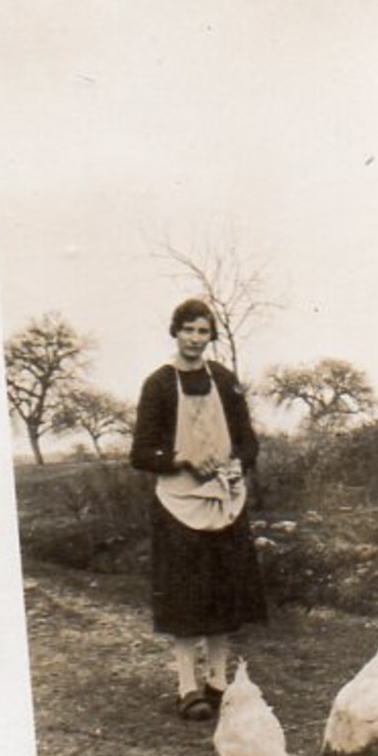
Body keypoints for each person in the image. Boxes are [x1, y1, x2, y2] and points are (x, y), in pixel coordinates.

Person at [131, 298, 267, 720]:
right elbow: (140, 453)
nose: (194, 339)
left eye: (202, 331)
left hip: (225, 502)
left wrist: (235, 464)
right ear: (175, 332)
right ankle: (187, 687)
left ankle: (218, 682)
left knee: (223, 596)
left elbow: (248, 441)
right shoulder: (157, 384)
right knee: (185, 599)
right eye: (187, 330)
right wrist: (182, 459)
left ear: (211, 336)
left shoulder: (225, 381)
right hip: (178, 505)